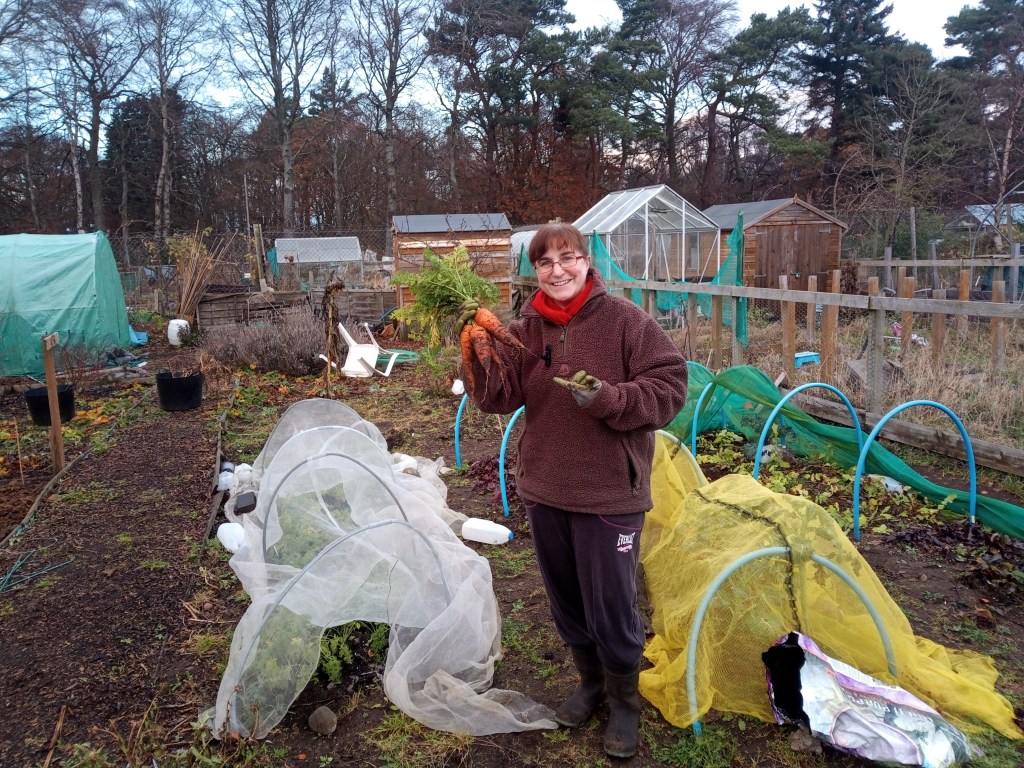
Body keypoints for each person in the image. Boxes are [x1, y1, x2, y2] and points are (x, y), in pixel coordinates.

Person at [460, 223, 688, 758]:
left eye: (568, 258)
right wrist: (476, 358)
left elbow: (671, 387)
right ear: (534, 271)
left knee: (611, 606)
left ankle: (624, 700)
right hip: (545, 488)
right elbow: (498, 398)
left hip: (610, 493)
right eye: (545, 262)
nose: (557, 270)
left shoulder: (626, 322)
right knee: (566, 599)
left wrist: (610, 398)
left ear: (587, 262)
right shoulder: (525, 329)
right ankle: (589, 684)